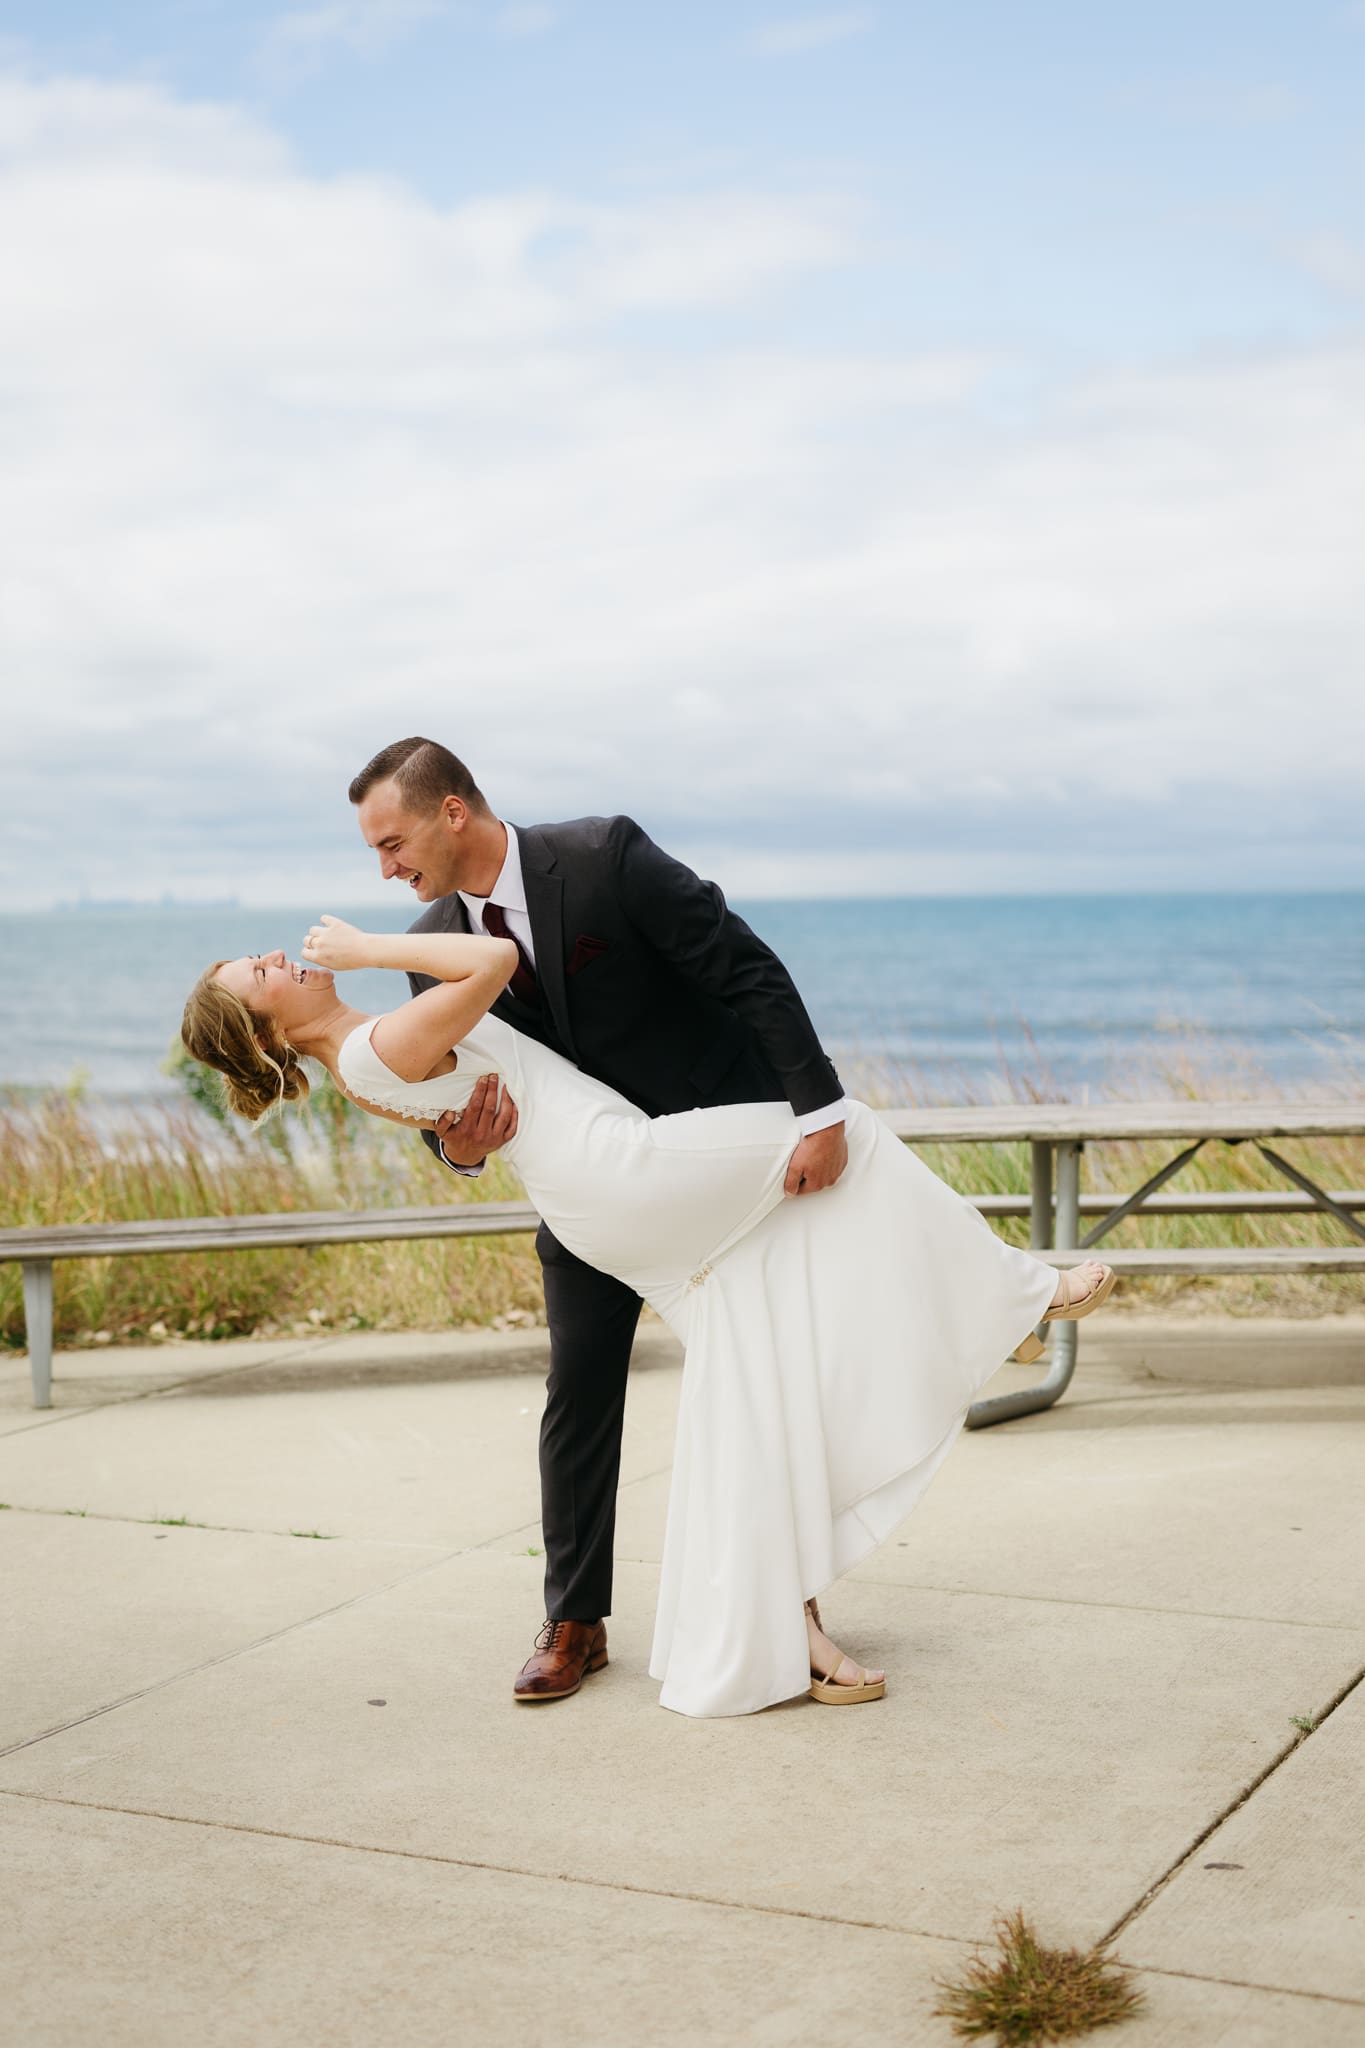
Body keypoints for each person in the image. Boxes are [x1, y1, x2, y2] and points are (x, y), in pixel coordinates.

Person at [180, 857, 1117, 1725]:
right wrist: (368, 948)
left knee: (749, 1378)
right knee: (846, 1132)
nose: (277, 956)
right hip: (618, 1170)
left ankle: (778, 1623)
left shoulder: (380, 1034)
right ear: (264, 1032)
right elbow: (494, 960)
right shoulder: (372, 1039)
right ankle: (1014, 1302)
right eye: (256, 974)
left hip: (604, 1182)